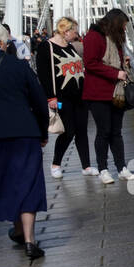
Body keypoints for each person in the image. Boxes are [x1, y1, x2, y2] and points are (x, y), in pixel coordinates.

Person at [0, 19, 50, 260]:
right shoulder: (17, 65)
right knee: (29, 181)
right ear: (2, 41)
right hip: (24, 132)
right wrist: (43, 132)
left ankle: (17, 228)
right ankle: (28, 239)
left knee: (7, 180)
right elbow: (38, 100)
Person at [36, 16, 94, 179]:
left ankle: (86, 166)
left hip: (80, 96)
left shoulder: (69, 47)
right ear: (65, 31)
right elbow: (44, 75)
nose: (76, 35)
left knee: (82, 130)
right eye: (74, 32)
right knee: (68, 131)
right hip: (62, 98)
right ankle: (55, 164)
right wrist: (50, 97)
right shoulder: (45, 47)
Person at [82, 8, 132, 185]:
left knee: (116, 132)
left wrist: (123, 64)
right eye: (123, 26)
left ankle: (121, 168)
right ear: (116, 23)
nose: (124, 30)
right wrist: (115, 73)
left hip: (115, 92)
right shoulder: (94, 37)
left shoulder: (114, 38)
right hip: (98, 93)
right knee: (104, 131)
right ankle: (103, 168)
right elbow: (90, 63)